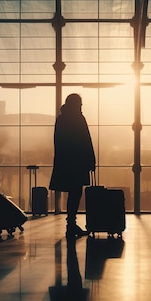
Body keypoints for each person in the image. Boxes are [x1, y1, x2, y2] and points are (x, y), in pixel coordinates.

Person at [49, 94, 96, 238]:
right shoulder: (78, 118)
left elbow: (59, 142)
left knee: (73, 192)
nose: (81, 107)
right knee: (76, 192)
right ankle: (71, 224)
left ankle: (71, 224)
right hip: (77, 163)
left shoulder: (61, 119)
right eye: (80, 104)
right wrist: (91, 160)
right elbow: (86, 140)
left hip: (67, 163)